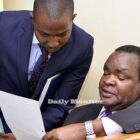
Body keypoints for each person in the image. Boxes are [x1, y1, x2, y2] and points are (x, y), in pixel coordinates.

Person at [0, 0, 93, 136]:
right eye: (44, 34)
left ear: (72, 19)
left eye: (62, 34)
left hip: (42, 125)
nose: (53, 43)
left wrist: (27, 133)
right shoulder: (4, 26)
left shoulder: (82, 47)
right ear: (33, 19)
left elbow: (61, 103)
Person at [42, 45, 140, 140]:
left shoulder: (136, 124)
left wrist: (86, 130)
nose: (107, 80)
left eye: (120, 77)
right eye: (106, 73)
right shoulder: (78, 114)